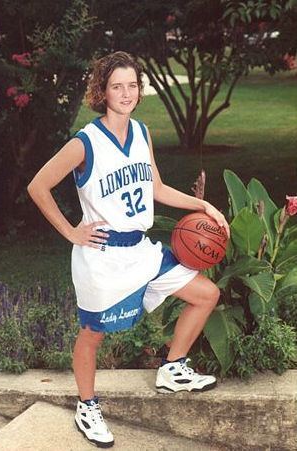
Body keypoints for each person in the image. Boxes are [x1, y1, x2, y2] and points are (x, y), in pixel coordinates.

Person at [27, 51, 230, 449]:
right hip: (102, 256)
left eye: (132, 85)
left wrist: (202, 204)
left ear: (140, 90)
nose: (126, 92)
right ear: (101, 91)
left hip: (141, 250)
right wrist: (71, 232)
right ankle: (87, 407)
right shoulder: (85, 142)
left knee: (206, 294)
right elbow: (37, 186)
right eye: (116, 86)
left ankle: (173, 369)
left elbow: (156, 188)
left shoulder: (141, 132)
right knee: (92, 335)